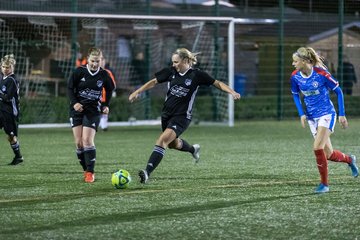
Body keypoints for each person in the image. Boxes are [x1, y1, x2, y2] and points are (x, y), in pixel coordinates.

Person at [129, 48, 241, 184]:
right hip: (166, 115)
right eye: (173, 62)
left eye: (176, 62)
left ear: (186, 61)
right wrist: (137, 92)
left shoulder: (197, 75)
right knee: (172, 144)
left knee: (162, 140)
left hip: (182, 116)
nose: (173, 65)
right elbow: (153, 82)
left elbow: (217, 83)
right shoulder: (170, 72)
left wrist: (232, 92)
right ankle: (193, 149)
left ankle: (147, 172)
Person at [290, 47, 359, 194]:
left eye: (295, 61)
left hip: (326, 114)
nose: (293, 64)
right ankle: (350, 160)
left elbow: (338, 92)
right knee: (328, 154)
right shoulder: (295, 76)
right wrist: (301, 114)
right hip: (311, 117)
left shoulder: (321, 74)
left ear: (304, 61)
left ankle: (324, 184)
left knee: (317, 147)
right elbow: (295, 94)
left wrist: (342, 114)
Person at [68, 47, 115, 183]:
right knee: (78, 143)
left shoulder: (104, 74)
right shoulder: (79, 72)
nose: (95, 64)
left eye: (97, 61)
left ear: (101, 60)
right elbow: (70, 88)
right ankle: (85, 168)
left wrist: (106, 105)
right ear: (87, 59)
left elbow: (110, 89)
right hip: (76, 110)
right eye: (92, 61)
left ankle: (90, 172)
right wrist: (75, 102)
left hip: (93, 110)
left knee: (87, 140)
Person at [0, 54, 24, 165]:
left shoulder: (13, 80)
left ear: (12, 67)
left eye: (8, 67)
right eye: (4, 67)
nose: (5, 69)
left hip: (9, 112)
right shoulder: (1, 78)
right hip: (1, 110)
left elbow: (8, 97)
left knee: (11, 136)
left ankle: (18, 156)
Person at [99, 56, 116, 131]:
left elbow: (113, 84)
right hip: (94, 95)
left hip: (104, 95)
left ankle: (104, 126)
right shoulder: (90, 72)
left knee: (104, 109)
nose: (102, 62)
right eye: (100, 60)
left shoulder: (108, 72)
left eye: (103, 60)